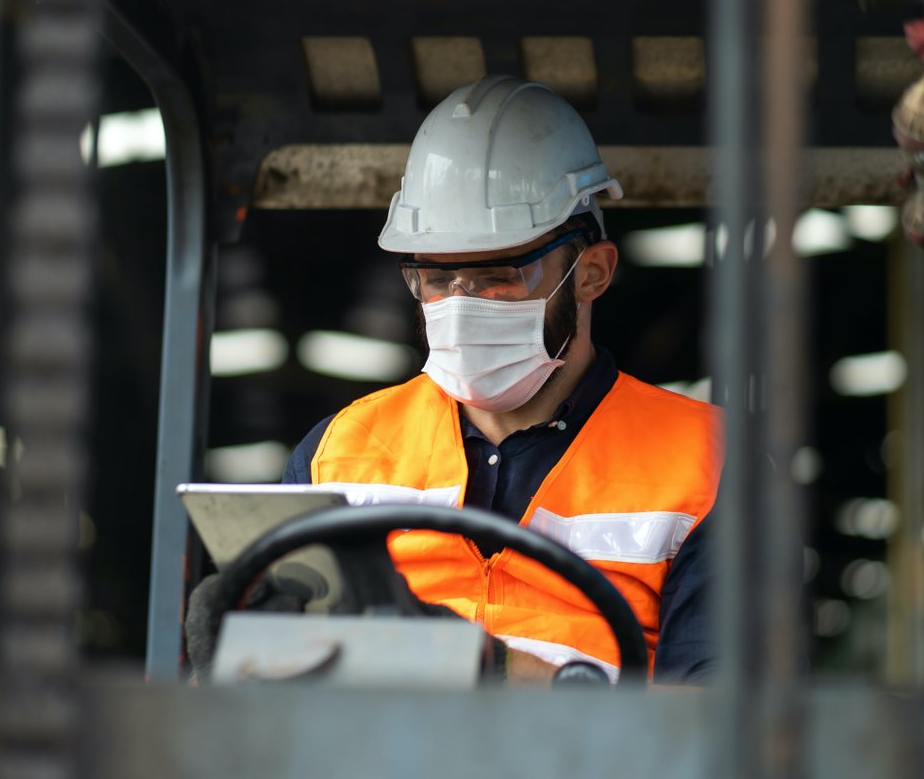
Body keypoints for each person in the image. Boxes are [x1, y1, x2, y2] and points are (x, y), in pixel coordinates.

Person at [277, 76, 722, 684]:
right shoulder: (338, 456)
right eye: (436, 279)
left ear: (591, 273)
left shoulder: (708, 463)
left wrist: (490, 669)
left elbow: (724, 730)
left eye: (498, 277)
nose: (461, 304)